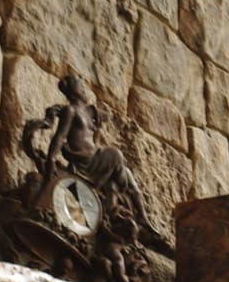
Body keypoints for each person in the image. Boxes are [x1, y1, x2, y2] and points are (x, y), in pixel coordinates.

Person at [43, 75, 155, 232]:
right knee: (115, 155)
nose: (84, 89)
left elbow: (107, 117)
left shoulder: (89, 112)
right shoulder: (71, 110)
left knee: (127, 174)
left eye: (83, 86)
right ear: (71, 92)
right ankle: (109, 188)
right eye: (79, 86)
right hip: (85, 162)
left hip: (95, 157)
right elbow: (60, 136)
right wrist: (51, 159)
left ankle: (142, 215)